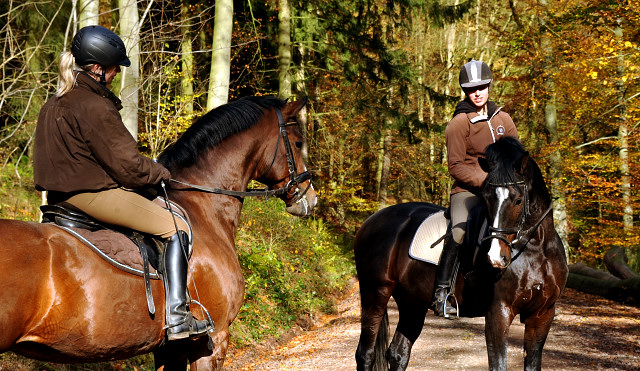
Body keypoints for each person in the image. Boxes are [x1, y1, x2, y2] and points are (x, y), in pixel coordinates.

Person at [33, 25, 213, 340]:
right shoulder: (94, 105)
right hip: (92, 196)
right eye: (115, 67)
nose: (117, 73)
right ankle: (178, 317)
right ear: (99, 68)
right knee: (177, 228)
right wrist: (161, 172)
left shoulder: (55, 102)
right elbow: (129, 167)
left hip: (56, 198)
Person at [433, 59, 519, 318]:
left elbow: (517, 156)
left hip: (501, 191)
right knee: (459, 232)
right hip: (468, 192)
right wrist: (484, 182)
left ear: (489, 85)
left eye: (482, 86)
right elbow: (455, 166)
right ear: (465, 91)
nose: (478, 92)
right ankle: (442, 292)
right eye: (472, 89)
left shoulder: (503, 118)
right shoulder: (459, 123)